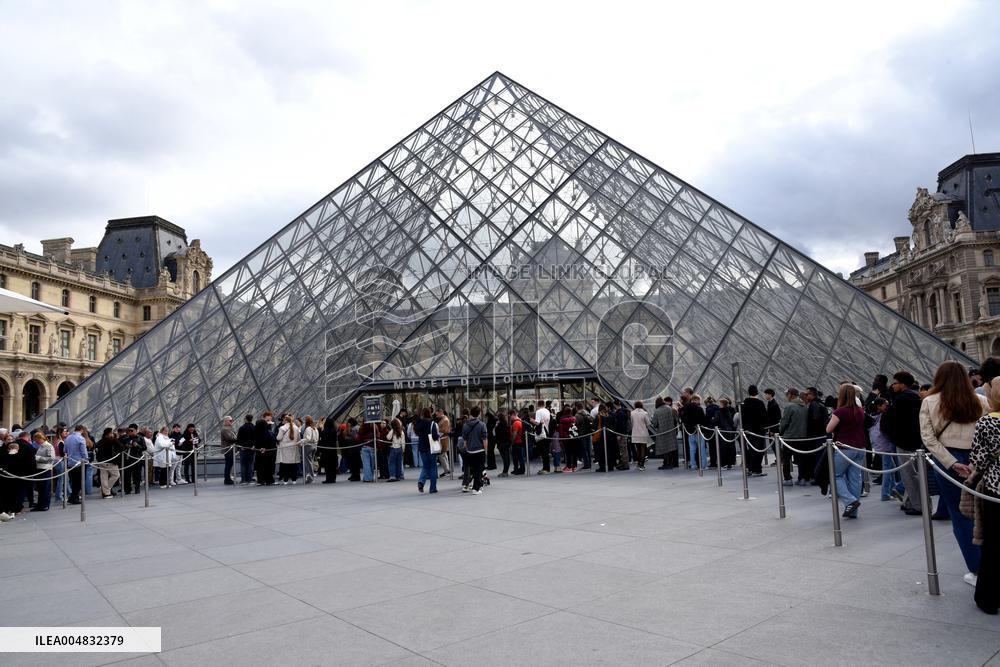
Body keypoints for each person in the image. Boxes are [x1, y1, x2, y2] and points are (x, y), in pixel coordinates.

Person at [920, 360, 987, 587]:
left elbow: (928, 439)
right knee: (985, 513)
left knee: (960, 516)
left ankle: (977, 570)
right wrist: (977, 463)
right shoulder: (981, 401)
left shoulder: (929, 401)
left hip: (947, 461)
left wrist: (951, 463)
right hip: (979, 460)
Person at [969, 377, 1000, 614]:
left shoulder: (987, 422)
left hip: (994, 490)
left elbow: (979, 460)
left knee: (992, 545)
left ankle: (988, 599)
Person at [881, 371, 924, 515]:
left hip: (905, 442)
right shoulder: (915, 397)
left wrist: (893, 436)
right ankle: (909, 501)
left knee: (909, 475)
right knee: (912, 474)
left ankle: (918, 505)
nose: (892, 386)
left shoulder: (901, 400)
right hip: (915, 441)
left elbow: (890, 420)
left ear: (903, 384)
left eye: (895, 383)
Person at [826, 383, 867, 518]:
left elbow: (829, 429)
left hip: (845, 447)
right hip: (860, 447)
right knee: (855, 478)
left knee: (835, 475)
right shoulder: (860, 411)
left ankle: (850, 501)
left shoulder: (840, 412)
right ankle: (853, 511)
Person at [869, 398, 905, 502]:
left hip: (879, 445)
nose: (887, 406)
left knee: (891, 467)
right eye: (885, 404)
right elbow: (885, 430)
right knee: (887, 469)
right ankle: (885, 493)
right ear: (879, 406)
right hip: (885, 445)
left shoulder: (872, 416)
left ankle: (892, 489)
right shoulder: (883, 416)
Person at [778, 388, 808, 486]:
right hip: (802, 436)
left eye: (787, 394)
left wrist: (780, 432)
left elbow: (784, 422)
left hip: (790, 437)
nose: (786, 396)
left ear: (791, 395)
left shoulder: (789, 407)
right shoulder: (804, 406)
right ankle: (802, 478)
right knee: (801, 459)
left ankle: (788, 479)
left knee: (786, 459)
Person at [742, 385, 768, 476]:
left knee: (751, 449)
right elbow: (764, 417)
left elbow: (743, 418)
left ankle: (750, 468)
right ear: (757, 392)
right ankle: (757, 469)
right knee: (759, 450)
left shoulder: (744, 404)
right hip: (759, 430)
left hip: (748, 431)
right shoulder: (760, 403)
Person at [461, 406, 488, 494]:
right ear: (479, 414)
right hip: (479, 450)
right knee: (479, 469)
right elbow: (484, 439)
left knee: (473, 469)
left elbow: (464, 440)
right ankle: (476, 488)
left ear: (470, 414)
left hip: (470, 450)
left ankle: (473, 485)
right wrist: (486, 450)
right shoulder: (482, 425)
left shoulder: (465, 425)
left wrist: (466, 448)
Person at [413, 407, 439, 494]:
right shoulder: (432, 423)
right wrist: (438, 435)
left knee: (425, 466)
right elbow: (435, 436)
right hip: (431, 448)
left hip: (422, 447)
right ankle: (433, 488)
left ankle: (421, 482)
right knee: (433, 467)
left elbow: (417, 432)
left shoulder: (419, 423)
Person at [31, 432, 55, 511]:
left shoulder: (48, 446)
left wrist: (38, 458)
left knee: (45, 488)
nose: (36, 442)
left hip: (45, 469)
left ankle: (44, 505)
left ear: (41, 438)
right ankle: (40, 504)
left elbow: (51, 458)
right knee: (40, 488)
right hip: (40, 468)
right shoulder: (41, 446)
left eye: (37, 440)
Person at [681, 395, 706, 471]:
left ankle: (693, 465)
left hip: (690, 431)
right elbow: (703, 420)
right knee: (701, 449)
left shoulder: (685, 408)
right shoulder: (699, 409)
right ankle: (703, 465)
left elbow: (683, 419)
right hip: (698, 431)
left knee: (692, 449)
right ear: (697, 400)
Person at [94, 427, 121, 499]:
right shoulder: (112, 440)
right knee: (116, 475)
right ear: (109, 433)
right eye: (112, 433)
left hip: (101, 461)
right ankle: (106, 490)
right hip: (111, 461)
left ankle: (105, 492)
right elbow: (122, 447)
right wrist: (115, 438)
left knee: (104, 477)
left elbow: (95, 447)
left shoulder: (100, 441)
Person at [652, 397, 678, 470]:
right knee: (670, 448)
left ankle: (666, 464)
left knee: (664, 449)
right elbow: (675, 419)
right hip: (671, 431)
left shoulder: (657, 411)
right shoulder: (670, 408)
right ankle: (670, 463)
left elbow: (654, 423)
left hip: (662, 432)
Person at [276, 415, 301, 484]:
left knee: (285, 465)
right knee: (293, 465)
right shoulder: (296, 428)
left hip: (285, 448)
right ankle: (294, 480)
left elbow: (278, 438)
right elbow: (298, 439)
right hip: (294, 448)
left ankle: (285, 480)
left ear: (286, 420)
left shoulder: (282, 428)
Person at [254, 411, 277, 486]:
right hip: (268, 452)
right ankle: (269, 480)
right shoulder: (267, 432)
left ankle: (261, 480)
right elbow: (271, 440)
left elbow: (255, 440)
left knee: (260, 467)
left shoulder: (257, 431)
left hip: (259, 451)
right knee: (268, 467)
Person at [630, 400, 652, 471]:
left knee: (638, 449)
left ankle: (639, 463)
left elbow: (631, 423)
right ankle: (642, 464)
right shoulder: (645, 413)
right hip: (643, 433)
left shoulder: (632, 413)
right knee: (643, 448)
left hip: (635, 433)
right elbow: (648, 423)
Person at [236, 415, 255, 485]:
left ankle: (243, 480)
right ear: (252, 419)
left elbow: (238, 439)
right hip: (251, 448)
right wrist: (253, 446)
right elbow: (255, 438)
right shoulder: (254, 427)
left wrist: (240, 447)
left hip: (243, 448)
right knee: (250, 464)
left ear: (245, 419)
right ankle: (249, 479)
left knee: (243, 465)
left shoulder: (241, 428)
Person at [319, 417, 339, 483]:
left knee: (327, 465)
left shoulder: (324, 431)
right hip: (333, 450)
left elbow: (322, 440)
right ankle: (333, 478)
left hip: (326, 450)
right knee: (333, 465)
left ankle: (328, 478)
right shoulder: (334, 431)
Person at [220, 416, 238, 485]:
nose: (232, 422)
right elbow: (230, 438)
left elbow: (234, 437)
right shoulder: (225, 429)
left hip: (231, 449)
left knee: (230, 464)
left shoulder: (230, 429)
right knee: (228, 464)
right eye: (230, 420)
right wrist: (237, 437)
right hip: (228, 449)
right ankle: (227, 479)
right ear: (226, 421)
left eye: (232, 420)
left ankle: (228, 478)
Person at [302, 416, 319, 483]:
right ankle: (311, 476)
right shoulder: (315, 428)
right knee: (310, 462)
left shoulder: (308, 428)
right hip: (314, 446)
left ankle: (310, 477)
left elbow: (308, 438)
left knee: (307, 462)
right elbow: (317, 439)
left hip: (308, 446)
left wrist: (301, 441)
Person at [435, 409, 452, 478]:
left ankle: (446, 470)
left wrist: (437, 429)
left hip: (443, 439)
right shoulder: (444, 419)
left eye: (437, 414)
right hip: (443, 439)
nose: (436, 416)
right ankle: (447, 470)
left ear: (441, 413)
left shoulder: (445, 420)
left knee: (442, 455)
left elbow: (445, 430)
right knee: (444, 455)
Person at [494, 411, 511, 477]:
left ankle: (505, 472)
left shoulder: (498, 426)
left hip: (501, 443)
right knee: (507, 457)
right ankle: (506, 471)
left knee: (504, 458)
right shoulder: (506, 424)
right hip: (506, 442)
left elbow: (496, 435)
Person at [510, 410, 525, 475]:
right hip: (520, 442)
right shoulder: (520, 421)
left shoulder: (516, 423)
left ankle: (519, 470)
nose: (509, 417)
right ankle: (520, 469)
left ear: (513, 415)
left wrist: (512, 442)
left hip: (517, 442)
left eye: (510, 416)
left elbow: (515, 434)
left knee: (516, 457)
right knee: (520, 457)